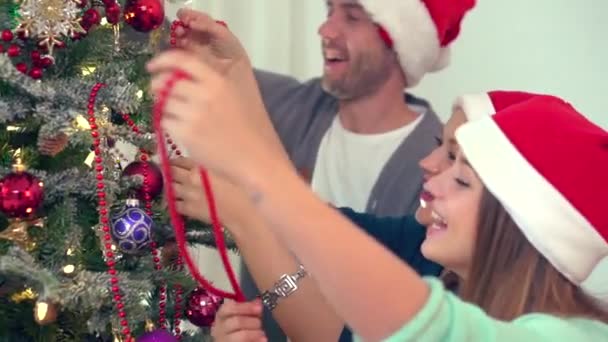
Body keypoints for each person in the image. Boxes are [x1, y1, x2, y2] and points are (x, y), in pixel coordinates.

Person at [147, 15, 608, 341]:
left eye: (461, 175)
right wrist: (238, 78)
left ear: (516, 226)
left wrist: (250, 208)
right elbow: (315, 230)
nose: (429, 169)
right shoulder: (436, 258)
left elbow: (380, 327)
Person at [173, 2, 475, 338]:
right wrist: (234, 70)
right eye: (329, 11)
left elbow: (342, 331)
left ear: (400, 44)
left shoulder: (431, 202)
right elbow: (307, 216)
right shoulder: (295, 106)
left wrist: (245, 216)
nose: (326, 30)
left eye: (353, 16)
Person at [170, 91, 537, 341]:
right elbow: (303, 217)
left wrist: (245, 220)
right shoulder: (421, 245)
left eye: (459, 171)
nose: (427, 165)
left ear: (508, 214)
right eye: (440, 148)